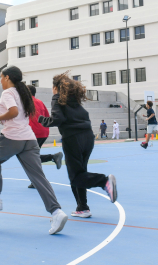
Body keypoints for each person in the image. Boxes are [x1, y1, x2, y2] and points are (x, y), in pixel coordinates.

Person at [0, 66, 68, 236]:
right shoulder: (23, 93)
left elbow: (13, 112)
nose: (0, 81)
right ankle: (57, 212)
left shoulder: (8, 93)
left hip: (13, 138)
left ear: (6, 78)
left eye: (1, 77)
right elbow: (17, 113)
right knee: (38, 177)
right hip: (29, 139)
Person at [38, 72, 117, 219]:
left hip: (73, 139)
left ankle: (104, 181)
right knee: (80, 173)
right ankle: (82, 207)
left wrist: (41, 119)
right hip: (88, 137)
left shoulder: (57, 99)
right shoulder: (74, 100)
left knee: (75, 177)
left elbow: (57, 119)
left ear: (55, 87)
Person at [27, 85, 63, 189]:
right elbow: (47, 116)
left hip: (33, 132)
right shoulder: (40, 102)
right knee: (32, 156)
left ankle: (53, 157)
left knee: (29, 157)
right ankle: (35, 181)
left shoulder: (26, 103)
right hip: (43, 131)